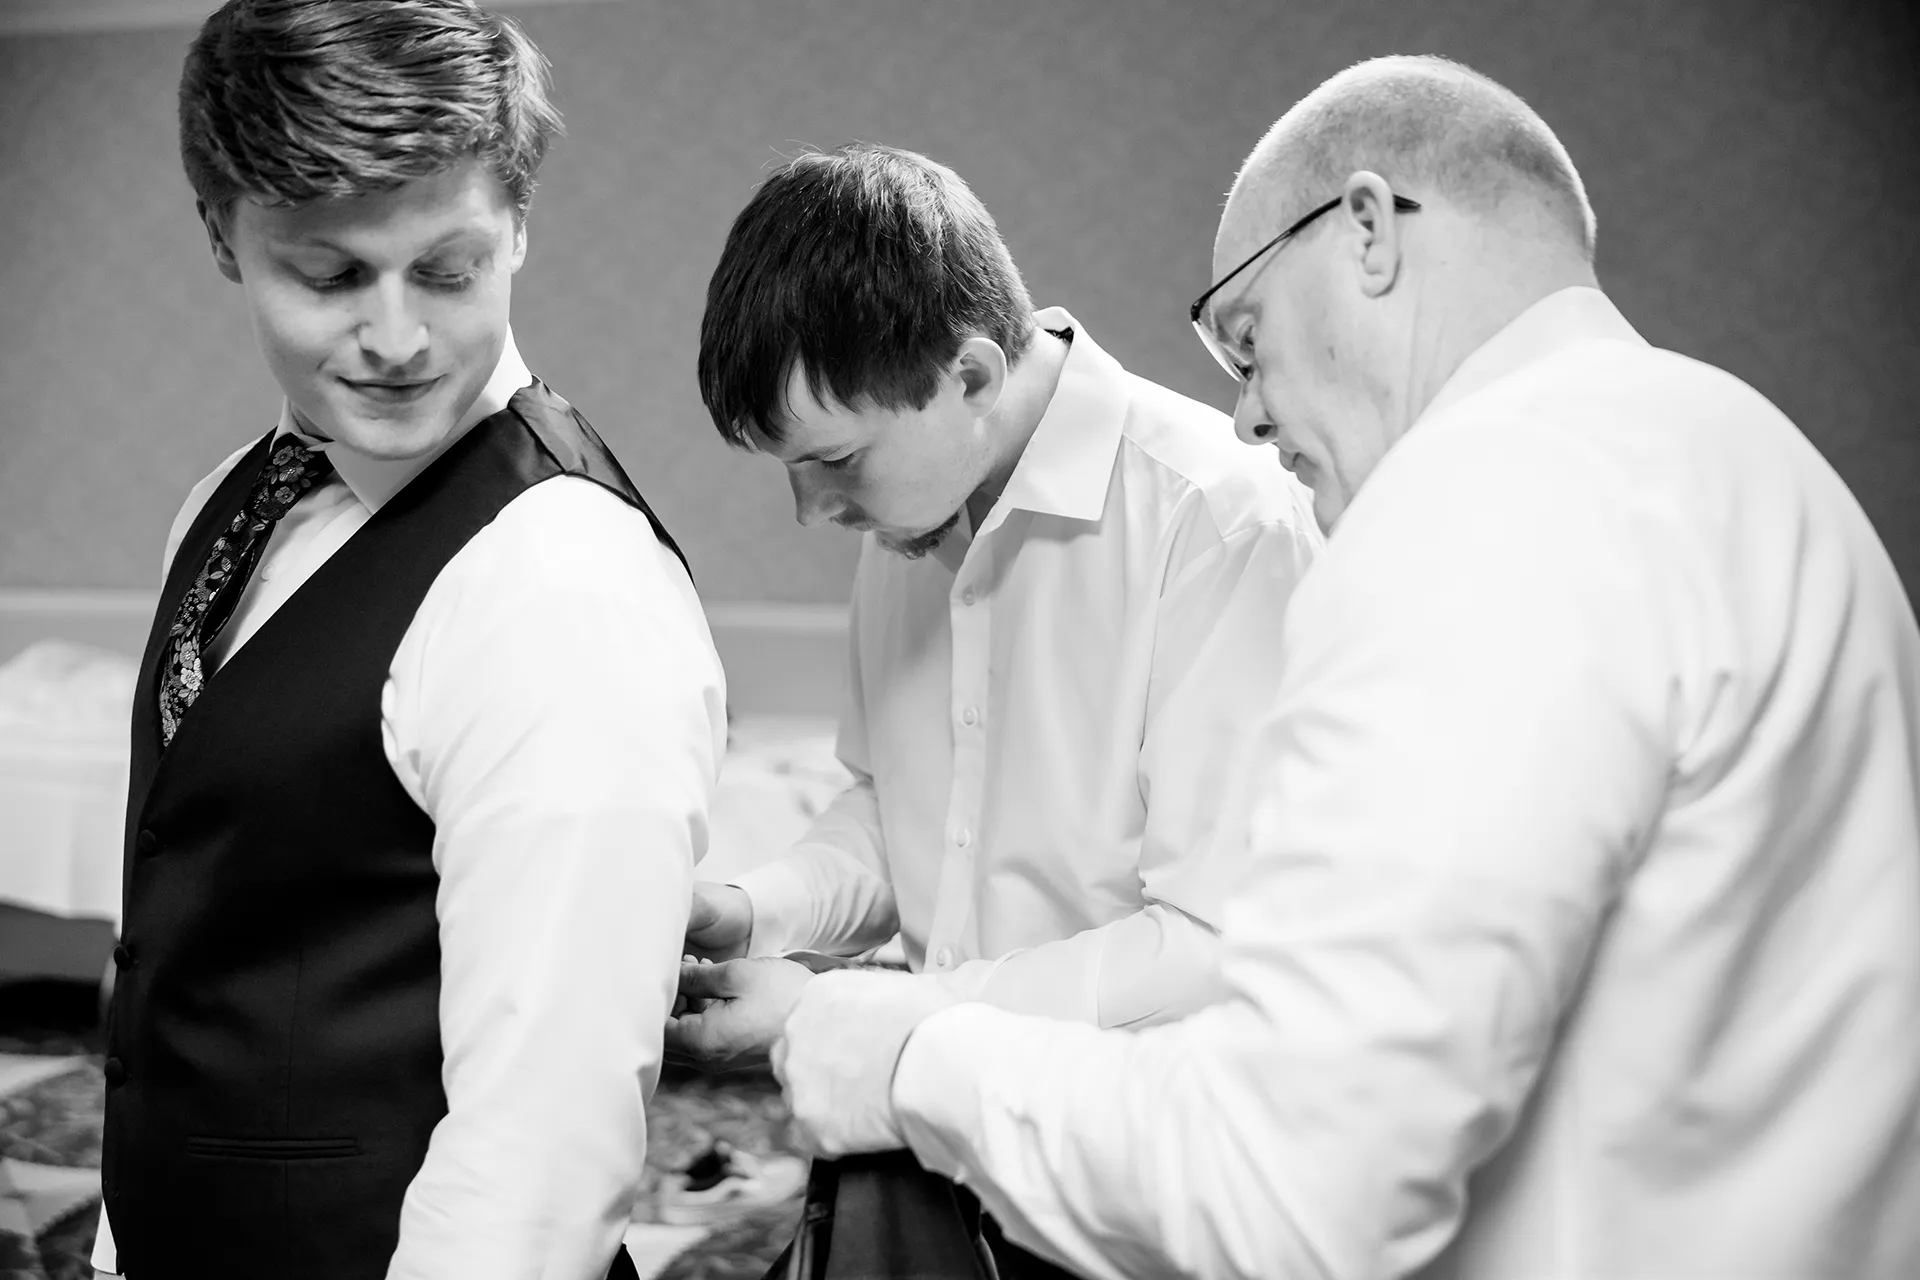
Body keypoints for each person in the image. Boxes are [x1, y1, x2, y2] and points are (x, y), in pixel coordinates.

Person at [768, 56, 1920, 1280]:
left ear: (1368, 232)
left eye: (1248, 339)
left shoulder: (1478, 508)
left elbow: (1290, 1181)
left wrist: (906, 1056)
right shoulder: (1754, 458)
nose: (1251, 416)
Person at [93, 3, 724, 1278]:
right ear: (222, 235)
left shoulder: (557, 584)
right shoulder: (231, 497)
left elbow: (540, 1149)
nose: (395, 339)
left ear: (522, 227)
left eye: (448, 269)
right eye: (328, 276)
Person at [667, 146, 1318, 1070]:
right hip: (939, 1136)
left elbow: (1208, 944)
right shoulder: (913, 513)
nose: (812, 512)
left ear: (969, 378)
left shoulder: (1221, 523)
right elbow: (896, 811)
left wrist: (850, 1016)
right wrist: (752, 908)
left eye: (836, 462)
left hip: (1134, 1156)